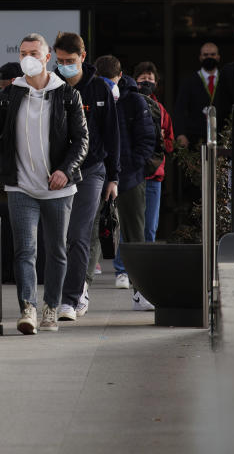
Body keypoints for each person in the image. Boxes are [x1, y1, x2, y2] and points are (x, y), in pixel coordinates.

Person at [0, 34, 88, 334]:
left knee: (56, 250)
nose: (28, 58)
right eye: (23, 52)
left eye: (34, 52)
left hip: (58, 188)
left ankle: (51, 307)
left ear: (47, 56)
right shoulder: (10, 94)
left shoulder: (66, 94)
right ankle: (28, 309)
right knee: (25, 250)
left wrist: (65, 169)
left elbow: (81, 141)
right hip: (20, 185)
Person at [51, 33, 120, 322]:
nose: (65, 66)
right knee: (58, 237)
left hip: (91, 169)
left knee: (79, 234)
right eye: (60, 61)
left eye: (70, 60)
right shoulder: (51, 86)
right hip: (57, 172)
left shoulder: (100, 89)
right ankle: (58, 294)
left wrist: (113, 178)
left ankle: (72, 297)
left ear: (83, 56)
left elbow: (112, 134)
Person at [94, 56, 155, 310]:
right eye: (103, 81)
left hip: (129, 177)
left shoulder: (134, 100)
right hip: (98, 175)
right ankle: (80, 292)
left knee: (135, 235)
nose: (108, 85)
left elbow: (147, 139)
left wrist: (131, 168)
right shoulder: (92, 97)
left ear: (121, 77)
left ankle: (141, 291)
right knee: (90, 234)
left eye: (112, 80)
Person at [133, 61, 175, 244]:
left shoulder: (162, 111)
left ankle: (145, 270)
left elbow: (170, 145)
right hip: (132, 176)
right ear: (135, 82)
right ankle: (122, 269)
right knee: (130, 226)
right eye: (143, 79)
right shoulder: (128, 105)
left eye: (150, 79)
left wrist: (160, 138)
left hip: (154, 176)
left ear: (156, 84)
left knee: (150, 228)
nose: (147, 82)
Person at [174, 42, 220, 148]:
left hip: (221, 136)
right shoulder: (189, 82)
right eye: (205, 55)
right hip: (194, 138)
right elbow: (179, 110)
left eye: (212, 55)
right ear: (200, 57)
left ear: (218, 57)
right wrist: (180, 134)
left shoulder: (226, 80)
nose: (209, 57)